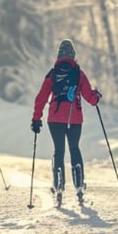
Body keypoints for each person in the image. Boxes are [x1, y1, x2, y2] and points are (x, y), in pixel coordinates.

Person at [31, 39, 101, 205]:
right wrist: (96, 96)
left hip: (55, 120)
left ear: (59, 55)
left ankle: (58, 187)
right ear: (73, 55)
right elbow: (91, 99)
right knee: (74, 149)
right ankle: (79, 186)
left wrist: (36, 119)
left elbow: (41, 98)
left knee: (59, 151)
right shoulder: (79, 73)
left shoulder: (52, 74)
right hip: (75, 120)